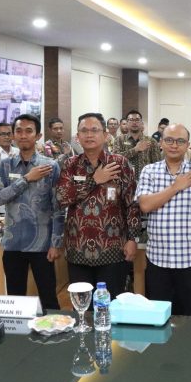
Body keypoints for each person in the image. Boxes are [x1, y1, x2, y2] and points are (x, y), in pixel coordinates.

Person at [56, 113, 140, 297]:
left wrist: (133, 239)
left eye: (94, 130)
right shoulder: (70, 164)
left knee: (112, 305)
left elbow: (132, 204)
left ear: (105, 135)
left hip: (113, 249)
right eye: (84, 131)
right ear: (77, 136)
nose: (89, 135)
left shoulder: (120, 163)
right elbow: (62, 198)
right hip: (78, 250)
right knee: (82, 306)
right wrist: (94, 180)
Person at [136, 124, 191, 316]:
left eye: (180, 141)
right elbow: (145, 205)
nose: (174, 145)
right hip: (157, 259)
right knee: (159, 315)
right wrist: (175, 187)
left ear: (187, 145)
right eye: (169, 140)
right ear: (161, 143)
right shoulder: (149, 171)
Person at [0, 114, 64, 309]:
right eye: (19, 131)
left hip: (42, 245)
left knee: (49, 299)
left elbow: (58, 207)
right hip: (13, 243)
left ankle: (54, 328)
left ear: (38, 136)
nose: (23, 135)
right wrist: (26, 179)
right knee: (15, 301)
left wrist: (56, 243)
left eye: (28, 131)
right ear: (13, 135)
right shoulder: (5, 165)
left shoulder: (50, 166)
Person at [115, 110, 162, 177]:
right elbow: (115, 160)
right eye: (131, 120)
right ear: (127, 123)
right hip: (125, 179)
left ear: (141, 123)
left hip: (145, 179)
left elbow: (157, 164)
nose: (134, 123)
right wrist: (135, 150)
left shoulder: (151, 141)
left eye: (137, 120)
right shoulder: (119, 139)